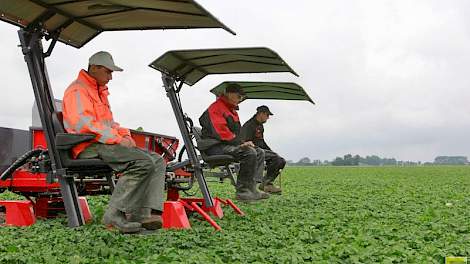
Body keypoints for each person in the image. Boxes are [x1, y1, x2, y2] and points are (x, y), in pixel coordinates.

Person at [62, 51, 166, 233]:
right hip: (87, 145)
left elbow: (110, 124)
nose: (111, 77)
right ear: (94, 68)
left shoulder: (98, 92)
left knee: (157, 160)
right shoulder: (78, 90)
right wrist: (117, 139)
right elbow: (83, 125)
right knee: (141, 163)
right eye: (108, 72)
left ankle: (143, 214)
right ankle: (114, 214)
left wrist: (125, 135)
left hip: (103, 143)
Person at [198, 84, 269, 202]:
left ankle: (252, 188)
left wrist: (243, 142)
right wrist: (240, 144)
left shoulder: (232, 110)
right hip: (214, 146)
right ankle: (242, 191)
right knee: (249, 152)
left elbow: (236, 134)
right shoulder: (216, 108)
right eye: (239, 96)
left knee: (260, 152)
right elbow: (221, 132)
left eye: (242, 97)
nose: (240, 99)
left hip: (227, 144)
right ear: (229, 93)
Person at [241, 105, 286, 194]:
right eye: (267, 115)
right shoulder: (249, 125)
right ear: (261, 114)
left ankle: (266, 184)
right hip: (252, 152)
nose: (268, 118)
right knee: (276, 158)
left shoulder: (260, 126)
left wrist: (272, 152)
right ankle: (265, 184)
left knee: (280, 160)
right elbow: (244, 142)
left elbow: (262, 142)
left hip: (261, 150)